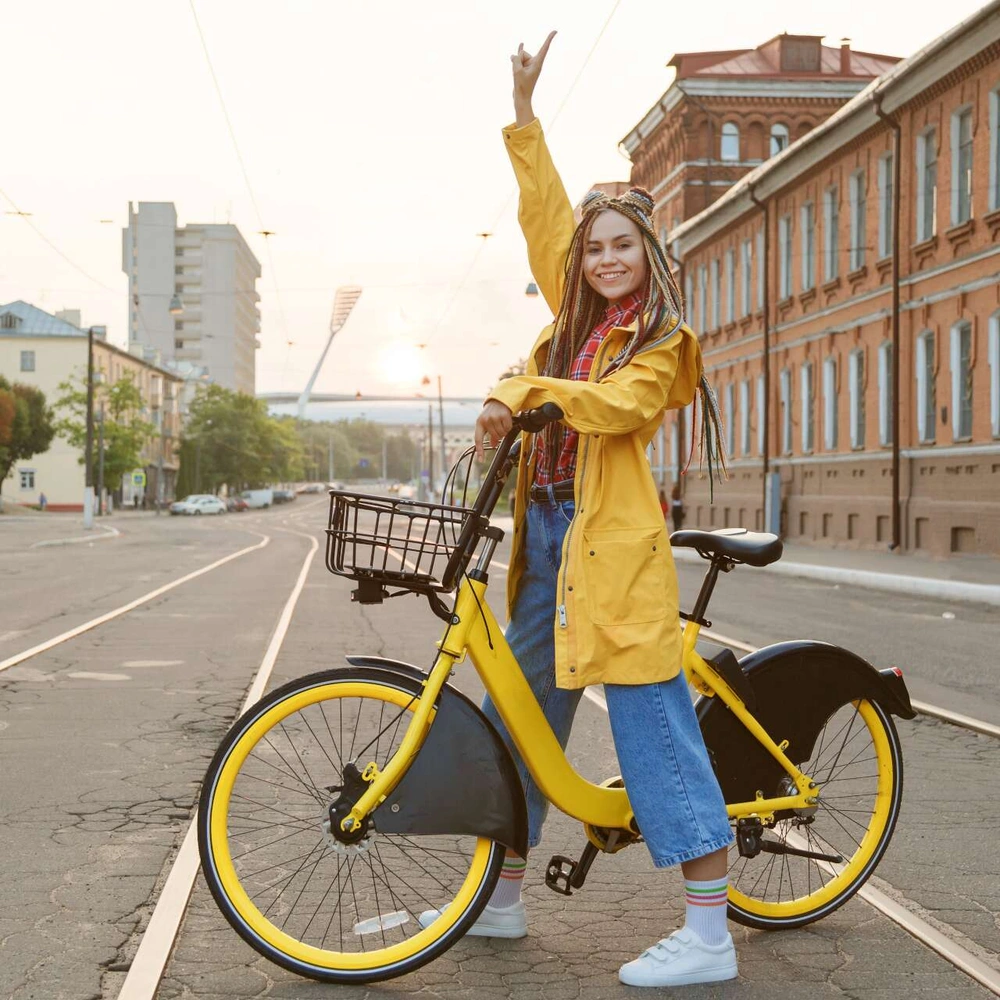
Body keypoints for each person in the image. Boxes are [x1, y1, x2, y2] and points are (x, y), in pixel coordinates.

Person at [466, 33, 735, 988]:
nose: (605, 259)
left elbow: (618, 408)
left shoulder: (664, 341)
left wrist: (525, 391)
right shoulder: (570, 320)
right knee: (519, 714)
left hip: (613, 551)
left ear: (649, 256)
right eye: (595, 248)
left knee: (650, 722)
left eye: (623, 246)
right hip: (544, 539)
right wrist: (525, 114)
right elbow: (545, 212)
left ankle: (709, 934)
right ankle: (498, 898)